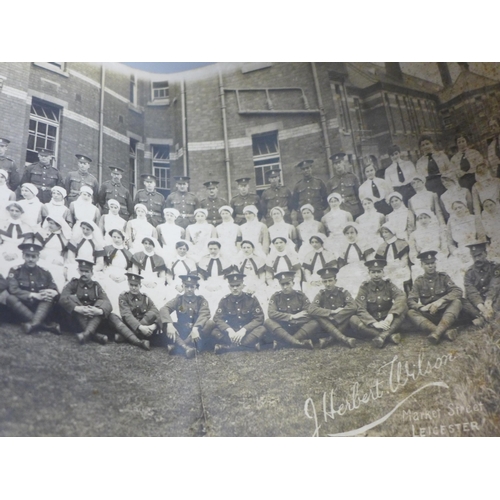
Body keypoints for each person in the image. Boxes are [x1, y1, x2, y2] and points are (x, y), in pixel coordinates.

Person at [349, 259, 409, 348]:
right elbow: (360, 308)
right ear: (369, 273)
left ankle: (382, 336)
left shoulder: (388, 285)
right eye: (373, 272)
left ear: (383, 273)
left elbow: (401, 296)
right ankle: (388, 336)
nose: (376, 275)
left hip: (387, 321)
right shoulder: (364, 288)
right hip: (372, 321)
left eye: (378, 272)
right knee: (353, 318)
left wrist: (391, 314)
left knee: (404, 307)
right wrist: (374, 323)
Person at [407, 251, 462, 344]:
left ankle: (437, 333)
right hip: (429, 315)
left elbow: (457, 291)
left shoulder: (443, 277)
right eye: (427, 264)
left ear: (435, 264)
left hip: (445, 313)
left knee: (457, 302)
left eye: (432, 263)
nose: (430, 266)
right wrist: (421, 307)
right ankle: (442, 332)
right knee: (410, 312)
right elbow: (411, 300)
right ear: (422, 265)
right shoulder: (419, 281)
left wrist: (441, 301)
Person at [5, 239, 60, 334]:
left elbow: (53, 287)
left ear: (38, 258)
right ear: (23, 256)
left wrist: (53, 292)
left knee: (48, 297)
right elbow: (13, 290)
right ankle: (45, 326)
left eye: (33, 256)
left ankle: (32, 324)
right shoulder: (15, 271)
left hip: (40, 308)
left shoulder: (45, 272)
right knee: (10, 298)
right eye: (28, 256)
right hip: (22, 307)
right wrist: (32, 295)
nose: (30, 259)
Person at [160, 273, 216, 356]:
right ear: (183, 286)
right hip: (182, 332)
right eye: (186, 286)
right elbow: (164, 309)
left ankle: (178, 346)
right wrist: (169, 324)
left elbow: (205, 313)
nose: (189, 289)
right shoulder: (178, 300)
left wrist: (196, 327)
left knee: (210, 323)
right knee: (163, 322)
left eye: (192, 287)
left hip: (196, 333)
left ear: (195, 287)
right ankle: (186, 347)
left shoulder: (201, 300)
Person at [59, 258, 112, 345]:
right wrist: (77, 308)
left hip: (92, 317)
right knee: (71, 298)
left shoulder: (96, 286)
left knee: (101, 304)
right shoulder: (74, 283)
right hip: (76, 318)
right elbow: (62, 298)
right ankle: (93, 335)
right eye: (82, 271)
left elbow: (108, 303)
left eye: (87, 271)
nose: (84, 274)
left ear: (92, 273)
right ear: (78, 271)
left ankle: (85, 334)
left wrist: (97, 311)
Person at [212, 272, 269, 353]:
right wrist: (229, 330)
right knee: (214, 331)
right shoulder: (224, 300)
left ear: (243, 286)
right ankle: (248, 346)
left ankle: (228, 347)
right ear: (229, 287)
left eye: (238, 285)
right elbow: (217, 318)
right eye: (232, 286)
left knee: (262, 329)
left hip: (246, 333)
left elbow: (259, 318)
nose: (235, 288)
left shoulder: (251, 299)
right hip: (231, 334)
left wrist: (244, 330)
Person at [307, 266, 358, 349]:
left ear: (335, 281)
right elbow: (311, 309)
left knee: (350, 315)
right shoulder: (321, 294)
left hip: (341, 324)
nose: (328, 284)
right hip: (328, 324)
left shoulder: (343, 292)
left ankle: (328, 339)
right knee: (316, 315)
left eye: (330, 280)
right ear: (322, 282)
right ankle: (344, 339)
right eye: (325, 281)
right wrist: (331, 312)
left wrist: (336, 318)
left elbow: (353, 306)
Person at [265, 271, 316, 350]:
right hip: (283, 328)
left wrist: (295, 320)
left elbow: (308, 311)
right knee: (268, 321)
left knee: (315, 322)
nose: (285, 287)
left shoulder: (301, 295)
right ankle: (299, 342)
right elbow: (271, 313)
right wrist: (291, 317)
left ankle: (284, 343)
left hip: (298, 327)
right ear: (280, 285)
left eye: (287, 283)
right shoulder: (276, 297)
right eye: (282, 284)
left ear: (293, 283)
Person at [109, 271, 159, 351]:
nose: (133, 288)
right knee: (112, 316)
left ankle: (124, 337)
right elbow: (127, 315)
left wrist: (147, 325)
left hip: (141, 326)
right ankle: (139, 342)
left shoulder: (145, 298)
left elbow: (155, 311)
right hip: (130, 325)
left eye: (136, 285)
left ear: (140, 286)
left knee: (153, 315)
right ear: (128, 284)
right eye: (131, 285)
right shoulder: (123, 296)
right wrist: (141, 327)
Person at [462, 241, 500, 327]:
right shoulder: (469, 273)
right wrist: (482, 308)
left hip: (493, 300)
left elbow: (495, 285)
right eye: (474, 256)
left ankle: (483, 320)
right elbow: (471, 292)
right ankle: (489, 316)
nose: (477, 259)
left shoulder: (495, 267)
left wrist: (489, 301)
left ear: (485, 253)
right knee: (462, 301)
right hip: (478, 305)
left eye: (479, 255)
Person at [97, 228, 134, 313]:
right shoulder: (107, 249)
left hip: (123, 275)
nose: (116, 239)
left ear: (123, 239)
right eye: (114, 237)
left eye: (118, 237)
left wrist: (124, 277)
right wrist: (109, 275)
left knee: (123, 290)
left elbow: (129, 269)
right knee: (108, 287)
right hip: (109, 272)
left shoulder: (128, 253)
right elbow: (104, 265)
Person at [336, 222, 375, 297]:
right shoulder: (343, 246)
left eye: (352, 232)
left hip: (362, 266)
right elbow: (341, 263)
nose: (350, 235)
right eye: (347, 233)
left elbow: (370, 259)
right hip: (348, 268)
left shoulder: (364, 244)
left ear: (356, 233)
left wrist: (369, 268)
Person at [35, 214, 72, 292]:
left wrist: (65, 264)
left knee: (58, 273)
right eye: (49, 222)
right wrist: (51, 260)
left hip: (58, 259)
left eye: (52, 223)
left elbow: (65, 253)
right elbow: (36, 250)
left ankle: (56, 293)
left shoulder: (64, 237)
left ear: (59, 226)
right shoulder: (42, 233)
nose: (49, 225)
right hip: (42, 257)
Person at [196, 239, 233, 316]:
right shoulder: (203, 259)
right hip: (207, 283)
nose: (213, 251)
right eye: (210, 249)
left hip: (222, 283)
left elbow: (228, 277)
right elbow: (199, 276)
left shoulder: (225, 260)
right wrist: (206, 286)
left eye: (215, 249)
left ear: (219, 249)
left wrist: (221, 286)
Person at [408, 209, 448, 281]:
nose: (423, 220)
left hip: (438, 256)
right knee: (418, 270)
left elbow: (444, 246)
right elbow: (413, 251)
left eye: (425, 217)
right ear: (417, 220)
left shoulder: (438, 230)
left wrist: (442, 256)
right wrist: (417, 261)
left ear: (430, 218)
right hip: (423, 259)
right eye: (420, 218)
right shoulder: (414, 234)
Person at [131, 237, 168, 307]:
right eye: (145, 243)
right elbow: (134, 272)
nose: (147, 246)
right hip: (141, 279)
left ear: (154, 246)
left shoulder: (159, 259)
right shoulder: (137, 255)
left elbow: (162, 276)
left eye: (150, 244)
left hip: (155, 281)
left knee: (159, 294)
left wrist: (155, 283)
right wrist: (141, 281)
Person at [375, 222, 411, 292]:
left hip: (400, 268)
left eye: (386, 232)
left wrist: (396, 266)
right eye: (383, 233)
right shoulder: (382, 246)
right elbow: (381, 263)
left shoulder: (401, 243)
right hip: (387, 269)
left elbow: (404, 260)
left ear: (392, 232)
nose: (384, 234)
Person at [0, 202, 33, 276]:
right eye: (12, 210)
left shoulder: (27, 227)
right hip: (2, 249)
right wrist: (4, 253)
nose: (14, 213)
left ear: (22, 212)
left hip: (19, 251)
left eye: (17, 211)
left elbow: (27, 245)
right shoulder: (1, 224)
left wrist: (16, 254)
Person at [327, 152, 363, 218]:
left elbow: (359, 195)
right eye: (335, 163)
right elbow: (330, 201)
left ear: (343, 162)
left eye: (339, 162)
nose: (338, 165)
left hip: (354, 210)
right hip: (339, 212)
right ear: (333, 166)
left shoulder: (352, 177)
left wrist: (361, 211)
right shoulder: (331, 182)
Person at [302, 234, 336, 302]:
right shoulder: (309, 255)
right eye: (312, 242)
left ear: (321, 242)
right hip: (313, 278)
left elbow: (333, 269)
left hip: (326, 278)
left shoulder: (328, 254)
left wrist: (324, 280)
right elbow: (307, 271)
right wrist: (311, 281)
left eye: (316, 242)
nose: (314, 244)